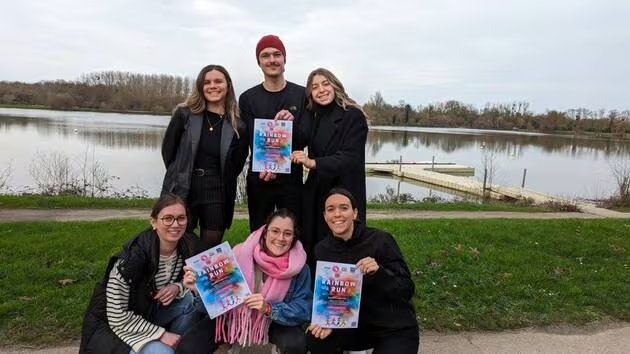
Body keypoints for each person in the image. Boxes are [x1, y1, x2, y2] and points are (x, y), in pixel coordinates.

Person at [80, 193, 206, 354]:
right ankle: (163, 346)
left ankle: (176, 345)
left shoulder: (189, 244)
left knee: (191, 300)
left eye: (181, 218)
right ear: (153, 222)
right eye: (168, 218)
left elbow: (199, 284)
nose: (175, 225)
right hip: (118, 328)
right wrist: (161, 334)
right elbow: (117, 316)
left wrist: (178, 286)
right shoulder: (131, 260)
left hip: (151, 313)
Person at [306, 188, 419, 354]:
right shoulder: (321, 250)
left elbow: (406, 289)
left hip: (393, 325)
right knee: (315, 339)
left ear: (355, 213)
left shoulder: (381, 240)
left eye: (344, 208)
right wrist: (327, 321)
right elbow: (325, 297)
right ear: (325, 216)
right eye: (331, 209)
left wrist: (380, 273)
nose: (337, 214)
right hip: (351, 325)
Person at [183, 208, 312, 353]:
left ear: (294, 237)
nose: (281, 238)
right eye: (275, 231)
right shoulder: (237, 255)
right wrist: (198, 290)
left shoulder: (299, 267)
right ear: (265, 232)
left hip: (271, 322)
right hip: (231, 317)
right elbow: (206, 307)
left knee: (296, 344)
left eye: (287, 233)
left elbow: (303, 309)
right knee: (188, 347)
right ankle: (231, 338)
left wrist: (269, 308)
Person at [161, 64, 249, 251]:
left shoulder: (238, 125)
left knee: (210, 249)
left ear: (228, 86)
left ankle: (201, 280)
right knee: (179, 243)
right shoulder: (184, 115)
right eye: (207, 82)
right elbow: (168, 152)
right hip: (184, 188)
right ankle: (179, 280)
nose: (213, 86)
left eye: (218, 81)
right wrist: (179, 174)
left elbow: (237, 164)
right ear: (201, 86)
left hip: (217, 192)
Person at [290, 68, 368, 266]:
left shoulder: (353, 116)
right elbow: (298, 138)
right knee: (313, 242)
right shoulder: (313, 116)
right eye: (315, 87)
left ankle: (343, 290)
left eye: (325, 84)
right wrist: (286, 122)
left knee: (343, 243)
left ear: (335, 85)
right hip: (316, 191)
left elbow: (350, 157)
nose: (321, 90)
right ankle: (313, 288)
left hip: (344, 189)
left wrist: (313, 162)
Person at [239, 34, 307, 232]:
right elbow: (250, 139)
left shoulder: (302, 95)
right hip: (260, 176)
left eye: (277, 54)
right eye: (265, 55)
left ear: (284, 59)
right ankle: (259, 264)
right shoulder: (248, 98)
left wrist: (292, 125)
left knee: (292, 232)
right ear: (259, 62)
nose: (272, 60)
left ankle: (292, 264)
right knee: (259, 232)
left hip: (291, 178)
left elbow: (307, 137)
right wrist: (267, 164)